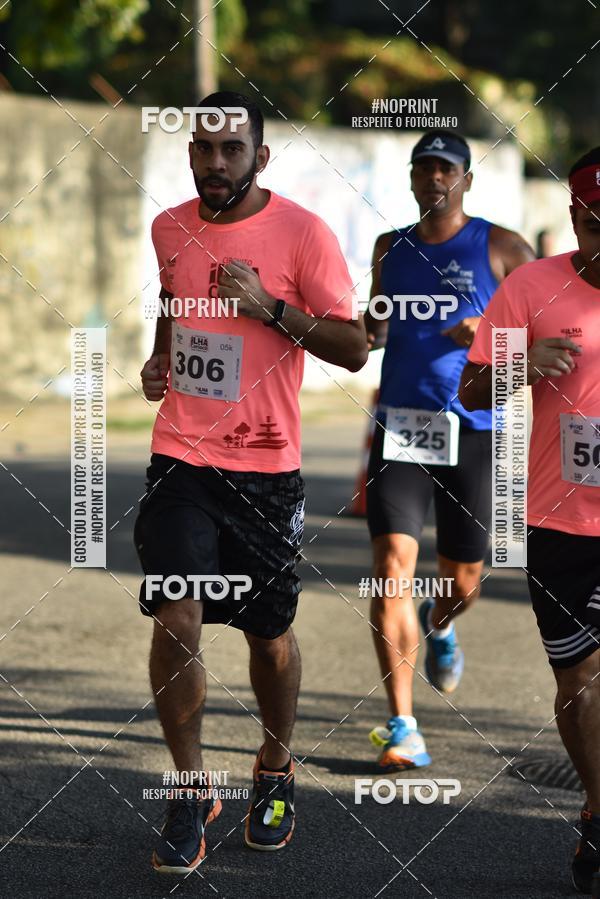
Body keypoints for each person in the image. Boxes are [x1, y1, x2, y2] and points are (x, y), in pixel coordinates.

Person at [134, 90, 367, 873]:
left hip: (266, 467)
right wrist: (161, 355)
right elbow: (172, 300)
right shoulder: (170, 226)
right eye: (204, 148)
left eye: (232, 150)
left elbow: (352, 346)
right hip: (180, 459)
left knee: (268, 637)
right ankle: (189, 788)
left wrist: (268, 305)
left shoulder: (303, 233)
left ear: (259, 157)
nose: (215, 162)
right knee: (176, 611)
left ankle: (274, 765)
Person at [364, 129, 535, 769]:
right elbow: (374, 327)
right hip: (401, 427)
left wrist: (492, 330)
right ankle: (402, 723)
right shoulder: (390, 247)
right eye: (425, 168)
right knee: (389, 575)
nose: (435, 178)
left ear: (466, 180)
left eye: (447, 169)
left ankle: (443, 620)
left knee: (464, 581)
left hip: (475, 428)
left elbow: (544, 320)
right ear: (412, 179)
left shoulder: (502, 246)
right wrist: (361, 327)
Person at [459, 147, 600, 895]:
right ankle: (598, 804)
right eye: (599, 223)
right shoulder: (530, 286)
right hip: (560, 520)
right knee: (577, 681)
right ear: (577, 216)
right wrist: (522, 363)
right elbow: (474, 389)